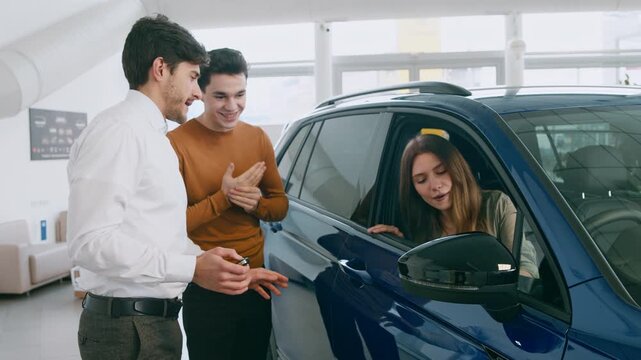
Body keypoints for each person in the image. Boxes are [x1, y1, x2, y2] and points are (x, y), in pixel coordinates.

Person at [67, 15, 251, 360]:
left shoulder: (154, 137)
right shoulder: (119, 132)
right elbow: (90, 242)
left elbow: (156, 231)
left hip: (150, 323)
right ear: (161, 69)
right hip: (127, 330)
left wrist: (208, 262)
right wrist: (191, 269)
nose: (198, 92)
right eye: (193, 77)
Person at [167, 48, 289, 360]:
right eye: (221, 96)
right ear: (201, 92)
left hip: (254, 280)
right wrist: (224, 199)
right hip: (206, 284)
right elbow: (172, 225)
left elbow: (280, 207)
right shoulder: (176, 143)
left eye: (240, 95)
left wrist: (256, 203)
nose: (232, 106)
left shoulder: (257, 137)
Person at [368, 133, 538, 277]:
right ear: (414, 188)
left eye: (441, 171)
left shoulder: (496, 205)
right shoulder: (418, 223)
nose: (435, 186)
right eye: (421, 180)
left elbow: (526, 269)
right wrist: (398, 248)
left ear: (457, 168)